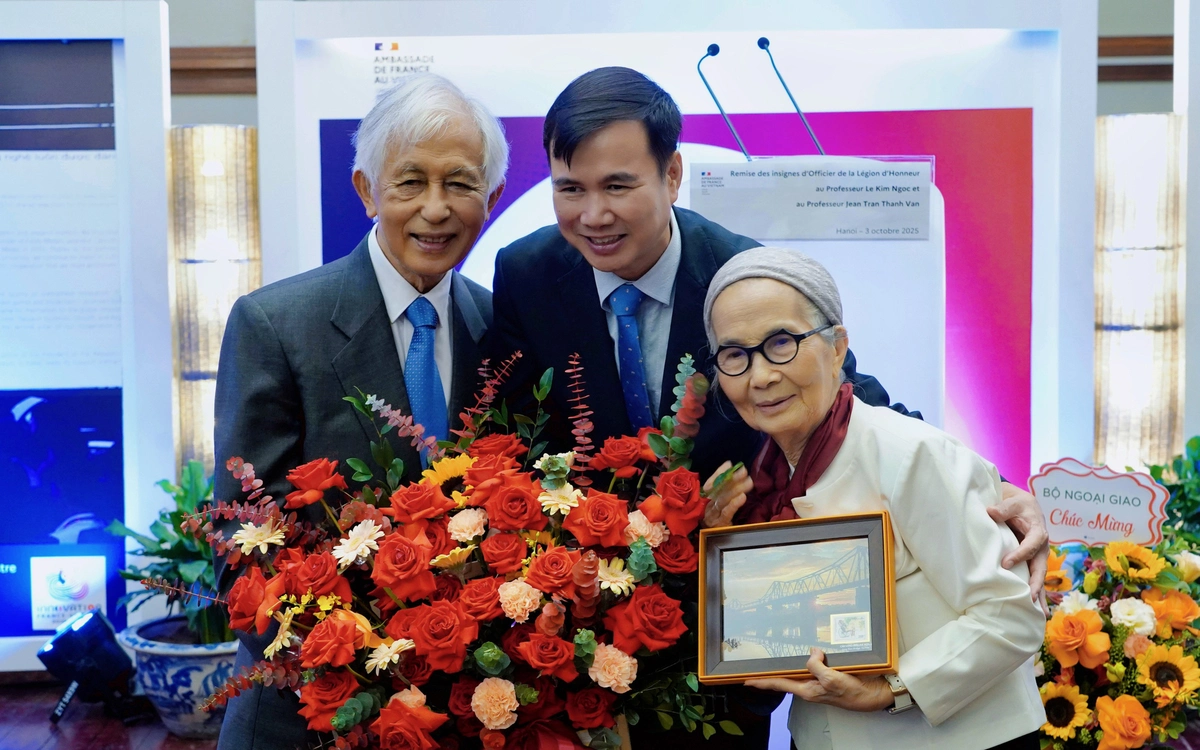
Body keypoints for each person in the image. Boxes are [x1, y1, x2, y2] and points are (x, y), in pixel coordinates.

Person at [489, 66, 1049, 747]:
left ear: (672, 175)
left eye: (618, 186)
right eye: (570, 188)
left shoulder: (740, 276)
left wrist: (988, 489)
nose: (593, 215)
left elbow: (847, 391)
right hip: (586, 620)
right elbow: (513, 436)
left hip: (734, 624)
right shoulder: (526, 274)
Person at [212, 74, 507, 750]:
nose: (436, 208)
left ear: (491, 199)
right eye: (410, 182)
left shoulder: (500, 327)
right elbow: (240, 547)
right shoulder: (276, 324)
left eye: (460, 184)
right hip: (306, 718)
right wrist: (358, 656)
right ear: (367, 190)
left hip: (461, 715)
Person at [703, 247, 1046, 750]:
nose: (760, 376)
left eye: (781, 343)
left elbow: (1012, 615)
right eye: (735, 355)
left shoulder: (910, 453)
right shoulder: (757, 478)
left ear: (837, 347)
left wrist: (892, 689)